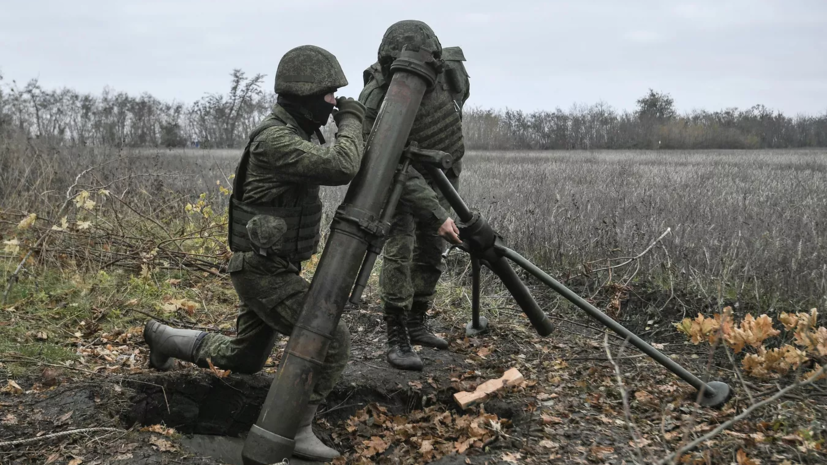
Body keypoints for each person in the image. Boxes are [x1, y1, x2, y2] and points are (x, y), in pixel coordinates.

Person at [143, 45, 366, 462]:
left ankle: (162, 338)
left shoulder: (297, 132)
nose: (334, 102)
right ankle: (295, 430)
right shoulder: (275, 140)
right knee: (331, 339)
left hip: (270, 266)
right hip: (262, 272)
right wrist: (353, 120)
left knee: (244, 358)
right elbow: (342, 166)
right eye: (329, 94)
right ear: (305, 96)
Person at [359, 20, 471, 371]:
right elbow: (386, 162)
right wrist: (437, 214)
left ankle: (417, 321)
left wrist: (442, 202)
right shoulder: (375, 96)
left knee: (432, 250)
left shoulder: (452, 74)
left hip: (440, 175)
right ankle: (397, 336)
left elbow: (452, 117)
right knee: (400, 250)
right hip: (397, 181)